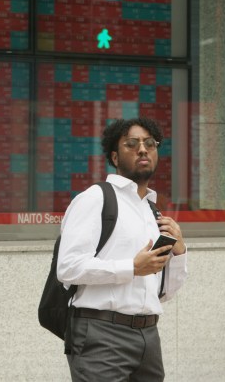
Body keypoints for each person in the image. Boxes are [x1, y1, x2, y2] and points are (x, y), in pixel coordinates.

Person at [57, 117, 187, 381]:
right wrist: (131, 267)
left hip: (148, 336)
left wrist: (179, 253)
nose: (143, 149)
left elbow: (164, 292)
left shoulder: (152, 210)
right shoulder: (94, 198)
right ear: (115, 156)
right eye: (132, 143)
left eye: (150, 143)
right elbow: (68, 268)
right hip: (101, 334)